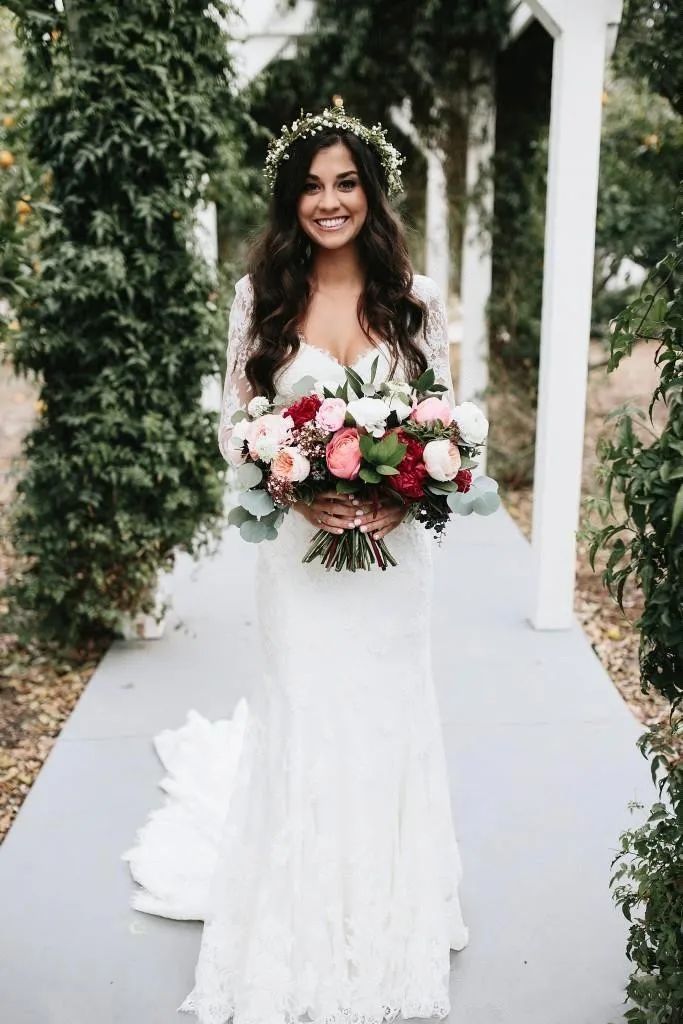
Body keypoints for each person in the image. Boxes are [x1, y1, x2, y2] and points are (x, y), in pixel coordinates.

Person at [123, 99, 469, 1024]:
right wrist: (295, 488)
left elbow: (444, 425)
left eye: (345, 183)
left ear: (371, 192)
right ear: (291, 198)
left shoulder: (416, 300)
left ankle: (388, 913)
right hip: (297, 560)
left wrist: (399, 498)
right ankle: (300, 914)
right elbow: (236, 428)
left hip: (393, 565)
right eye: (312, 186)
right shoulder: (261, 299)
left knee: (387, 717)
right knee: (310, 714)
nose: (329, 202)